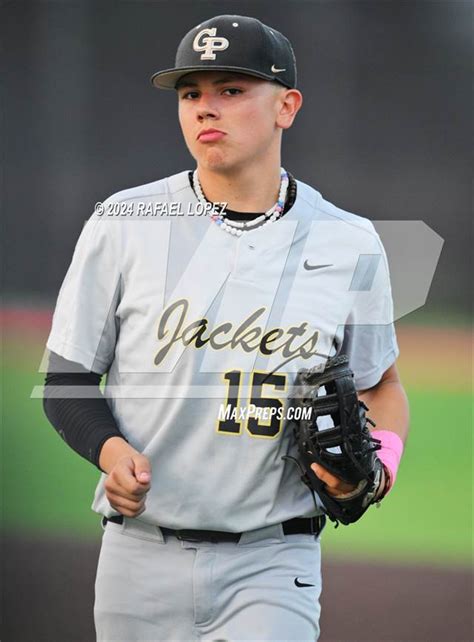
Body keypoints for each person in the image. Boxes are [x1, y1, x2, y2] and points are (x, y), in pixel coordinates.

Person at [43, 14, 409, 642]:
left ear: (286, 107)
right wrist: (110, 451)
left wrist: (379, 467)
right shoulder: (125, 221)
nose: (206, 108)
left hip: (274, 561)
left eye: (232, 90)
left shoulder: (348, 241)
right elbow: (66, 379)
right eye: (192, 94)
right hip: (138, 558)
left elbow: (381, 386)